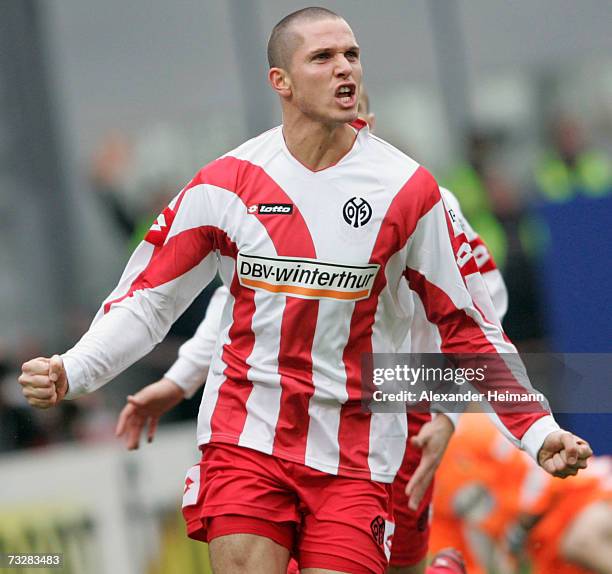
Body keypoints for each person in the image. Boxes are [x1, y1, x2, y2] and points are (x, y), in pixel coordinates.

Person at [19, 8, 591, 574]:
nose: (345, 69)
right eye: (323, 57)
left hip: (366, 439)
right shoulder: (226, 183)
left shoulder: (414, 194)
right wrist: (82, 369)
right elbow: (157, 298)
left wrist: (515, 425)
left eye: (352, 56)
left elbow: (470, 325)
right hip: (247, 435)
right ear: (281, 82)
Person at [114, 89, 509, 574]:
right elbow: (235, 306)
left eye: (350, 117)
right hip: (296, 409)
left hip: (394, 405)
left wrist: (443, 408)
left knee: (400, 562)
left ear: (368, 121)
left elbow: (483, 307)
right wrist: (177, 382)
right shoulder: (285, 198)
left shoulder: (425, 200)